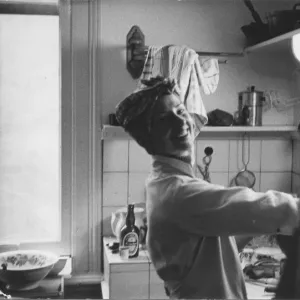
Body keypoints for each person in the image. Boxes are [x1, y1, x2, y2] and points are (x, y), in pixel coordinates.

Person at [115, 76, 300, 299]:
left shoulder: (162, 181)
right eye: (164, 120)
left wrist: (260, 229)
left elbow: (211, 240)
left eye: (181, 111)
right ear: (148, 138)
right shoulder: (178, 193)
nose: (180, 122)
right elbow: (254, 205)